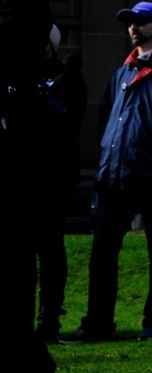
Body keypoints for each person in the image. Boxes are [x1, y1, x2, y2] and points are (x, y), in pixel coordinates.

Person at [60, 1, 152, 343]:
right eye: (131, 23)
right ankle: (97, 323)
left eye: (142, 22)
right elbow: (106, 120)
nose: (134, 27)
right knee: (102, 254)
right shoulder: (122, 72)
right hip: (114, 175)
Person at [0, 0, 56, 373]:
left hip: (17, 196)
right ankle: (24, 371)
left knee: (14, 285)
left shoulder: (24, 71)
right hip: (19, 196)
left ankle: (25, 372)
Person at [34, 24, 88, 341]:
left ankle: (49, 317)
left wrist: (45, 99)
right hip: (24, 172)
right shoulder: (21, 74)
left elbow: (71, 119)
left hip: (54, 175)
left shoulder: (67, 76)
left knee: (50, 246)